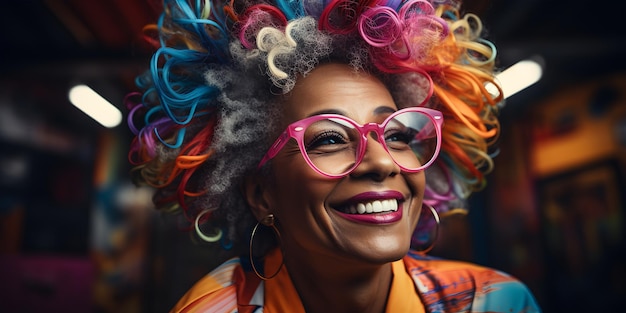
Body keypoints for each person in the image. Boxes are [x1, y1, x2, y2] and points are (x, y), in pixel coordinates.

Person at [126, 0, 541, 311]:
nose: (381, 162)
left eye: (396, 134)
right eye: (329, 139)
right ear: (260, 195)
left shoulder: (495, 303)